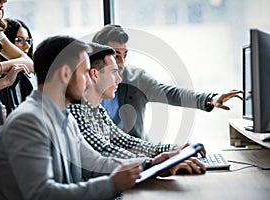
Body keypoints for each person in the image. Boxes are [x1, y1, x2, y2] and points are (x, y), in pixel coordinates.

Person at [0, 36, 201, 200]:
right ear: (65, 74)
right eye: (85, 73)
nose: (89, 81)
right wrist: (112, 185)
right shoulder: (29, 121)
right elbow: (42, 194)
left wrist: (151, 165)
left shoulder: (63, 116)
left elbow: (96, 163)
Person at [68, 42, 205, 171]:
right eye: (113, 72)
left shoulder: (97, 110)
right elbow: (105, 150)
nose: (119, 79)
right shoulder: (75, 111)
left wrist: (172, 149)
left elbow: (127, 142)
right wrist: (153, 163)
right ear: (95, 74)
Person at [92, 24, 243, 140]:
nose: (121, 63)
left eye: (125, 55)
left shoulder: (136, 79)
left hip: (137, 158)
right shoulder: (84, 90)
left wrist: (210, 99)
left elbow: (172, 94)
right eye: (116, 55)